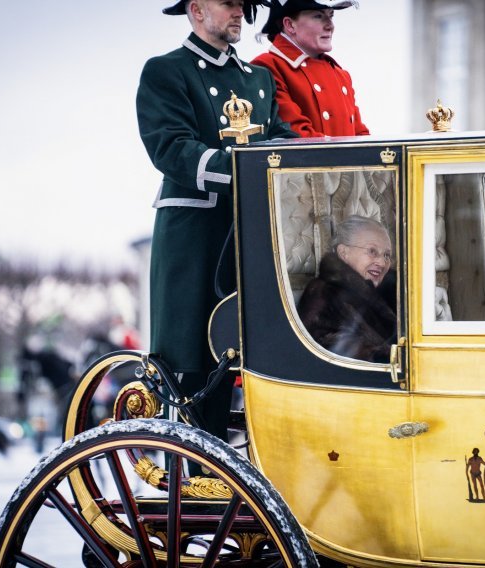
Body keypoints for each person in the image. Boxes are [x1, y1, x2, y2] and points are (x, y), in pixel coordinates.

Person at [136, 0, 296, 443]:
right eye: (227, 3)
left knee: (253, 358)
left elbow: (281, 141)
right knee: (193, 368)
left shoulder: (258, 80)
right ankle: (190, 483)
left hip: (251, 235)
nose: (239, 13)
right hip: (197, 241)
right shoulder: (167, 71)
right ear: (196, 11)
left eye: (242, 5)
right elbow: (170, 148)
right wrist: (246, 172)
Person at [252, 0, 369, 138]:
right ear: (290, 25)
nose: (330, 26)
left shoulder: (341, 75)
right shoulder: (268, 67)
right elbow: (294, 134)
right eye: (318, 16)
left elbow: (360, 133)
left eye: (330, 16)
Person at [297, 216, 396, 362]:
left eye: (387, 255)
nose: (382, 262)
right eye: (372, 251)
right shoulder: (323, 294)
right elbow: (336, 354)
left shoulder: (393, 291)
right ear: (343, 253)